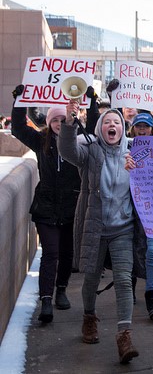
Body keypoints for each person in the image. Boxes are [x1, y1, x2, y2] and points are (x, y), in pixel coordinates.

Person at [58, 101, 146, 364]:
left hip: (123, 229)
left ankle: (124, 335)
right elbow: (67, 150)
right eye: (107, 122)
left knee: (123, 280)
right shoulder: (90, 151)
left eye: (117, 122)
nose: (112, 125)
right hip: (94, 227)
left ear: (123, 129)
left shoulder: (135, 152)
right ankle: (89, 317)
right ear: (99, 128)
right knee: (91, 278)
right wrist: (69, 122)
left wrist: (140, 170)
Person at [10, 85, 81, 323]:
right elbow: (19, 128)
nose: (60, 123)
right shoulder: (41, 141)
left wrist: (91, 100)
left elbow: (94, 129)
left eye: (64, 119)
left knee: (67, 252)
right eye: (55, 119)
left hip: (71, 204)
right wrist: (20, 100)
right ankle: (46, 300)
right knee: (51, 252)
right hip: (46, 205)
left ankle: (61, 289)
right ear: (49, 122)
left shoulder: (80, 142)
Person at [128, 112, 153, 321]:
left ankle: (152, 298)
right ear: (132, 129)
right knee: (131, 250)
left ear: (152, 129)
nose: (142, 130)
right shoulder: (125, 150)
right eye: (139, 126)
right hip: (130, 209)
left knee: (151, 252)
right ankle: (129, 290)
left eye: (146, 127)